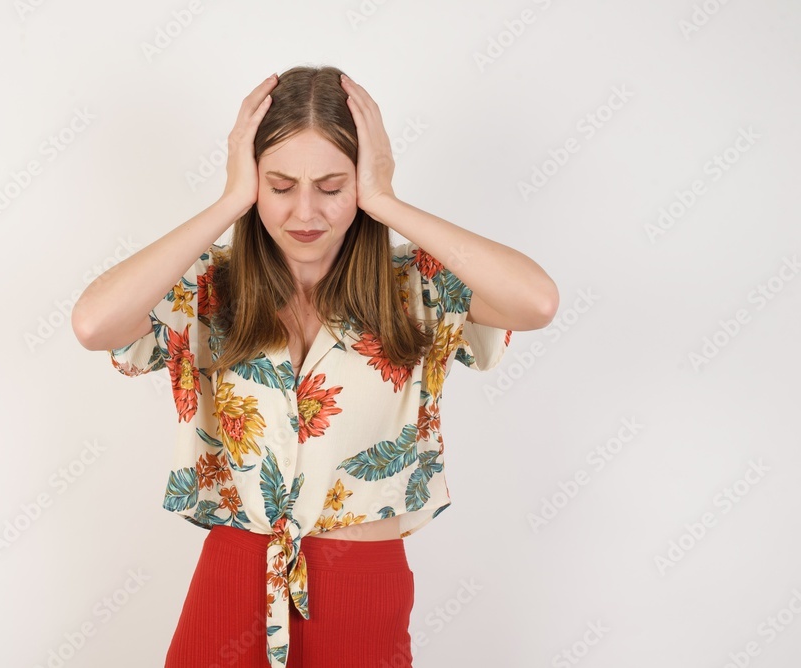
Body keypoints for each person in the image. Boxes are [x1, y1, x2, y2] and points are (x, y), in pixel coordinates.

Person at [72, 65, 559, 668]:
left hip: (361, 583)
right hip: (234, 574)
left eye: (332, 187)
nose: (305, 212)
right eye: (279, 185)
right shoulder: (207, 285)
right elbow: (93, 324)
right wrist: (229, 202)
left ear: (362, 179)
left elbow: (536, 302)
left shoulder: (417, 285)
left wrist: (386, 201)